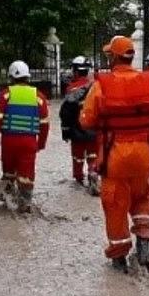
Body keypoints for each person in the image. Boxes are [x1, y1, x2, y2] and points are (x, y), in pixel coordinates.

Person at [80, 37, 149, 271]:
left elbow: (86, 120)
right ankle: (144, 244)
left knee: (115, 204)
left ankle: (119, 257)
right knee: (141, 198)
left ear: (113, 57)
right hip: (144, 157)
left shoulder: (102, 85)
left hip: (114, 157)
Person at [0, 60, 50, 213]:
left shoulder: (6, 94)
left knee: (8, 172)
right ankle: (26, 203)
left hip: (9, 141)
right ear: (27, 77)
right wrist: (41, 144)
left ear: (11, 77)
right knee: (26, 175)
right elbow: (45, 124)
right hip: (29, 142)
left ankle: (8, 202)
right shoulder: (38, 96)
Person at [59, 56, 99, 195]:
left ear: (75, 71)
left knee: (78, 157)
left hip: (77, 131)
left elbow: (65, 113)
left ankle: (78, 179)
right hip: (94, 130)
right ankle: (93, 172)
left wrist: (65, 132)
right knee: (93, 155)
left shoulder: (71, 89)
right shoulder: (96, 86)